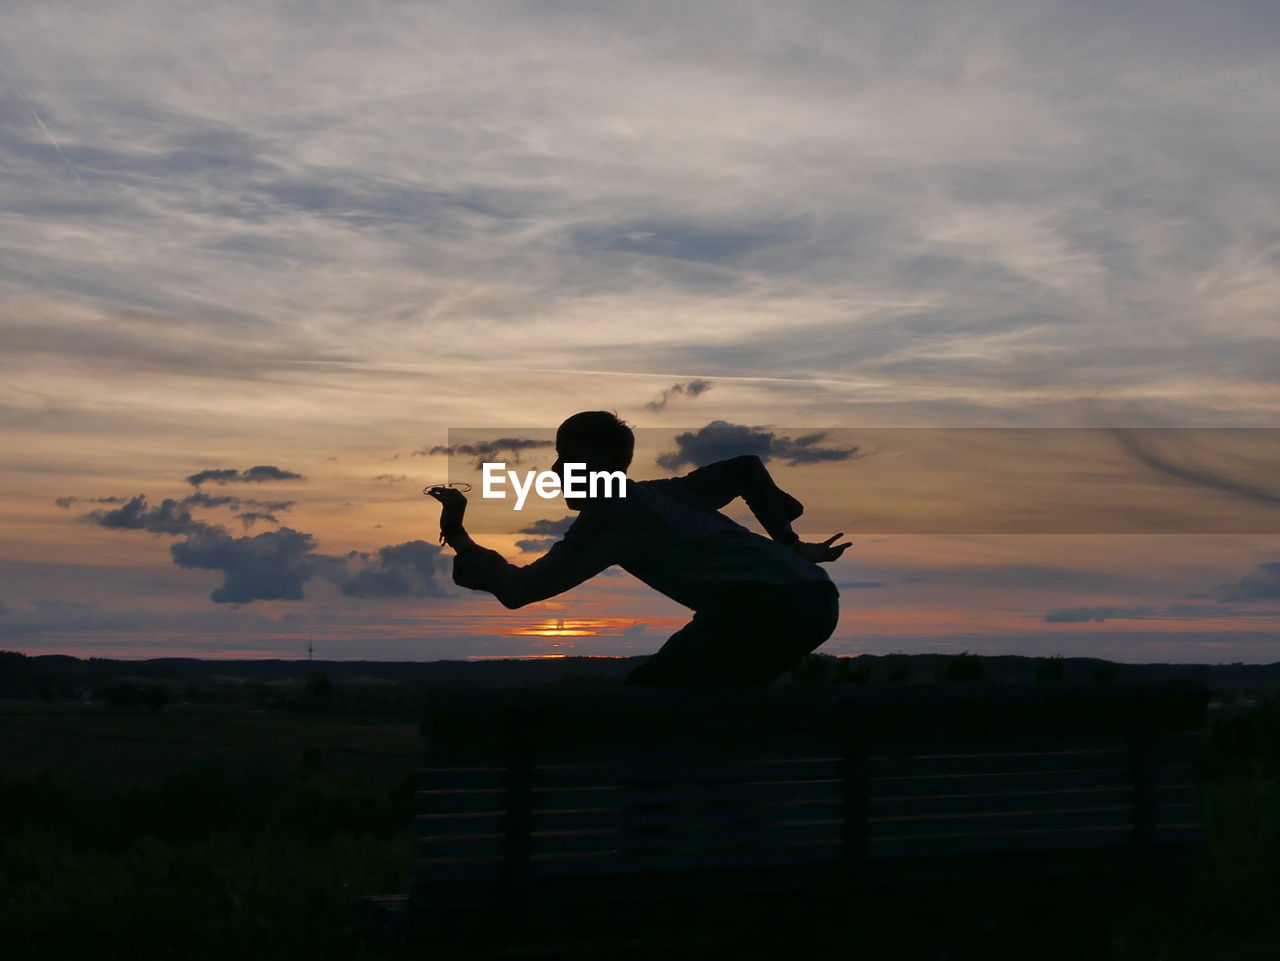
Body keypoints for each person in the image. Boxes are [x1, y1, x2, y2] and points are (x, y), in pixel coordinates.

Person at [427, 411, 849, 687]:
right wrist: (788, 539)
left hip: (767, 606)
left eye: (567, 458)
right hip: (813, 595)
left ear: (601, 464)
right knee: (704, 700)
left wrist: (462, 541)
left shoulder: (609, 516)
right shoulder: (670, 493)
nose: (555, 469)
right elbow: (746, 469)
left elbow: (519, 591)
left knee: (651, 698)